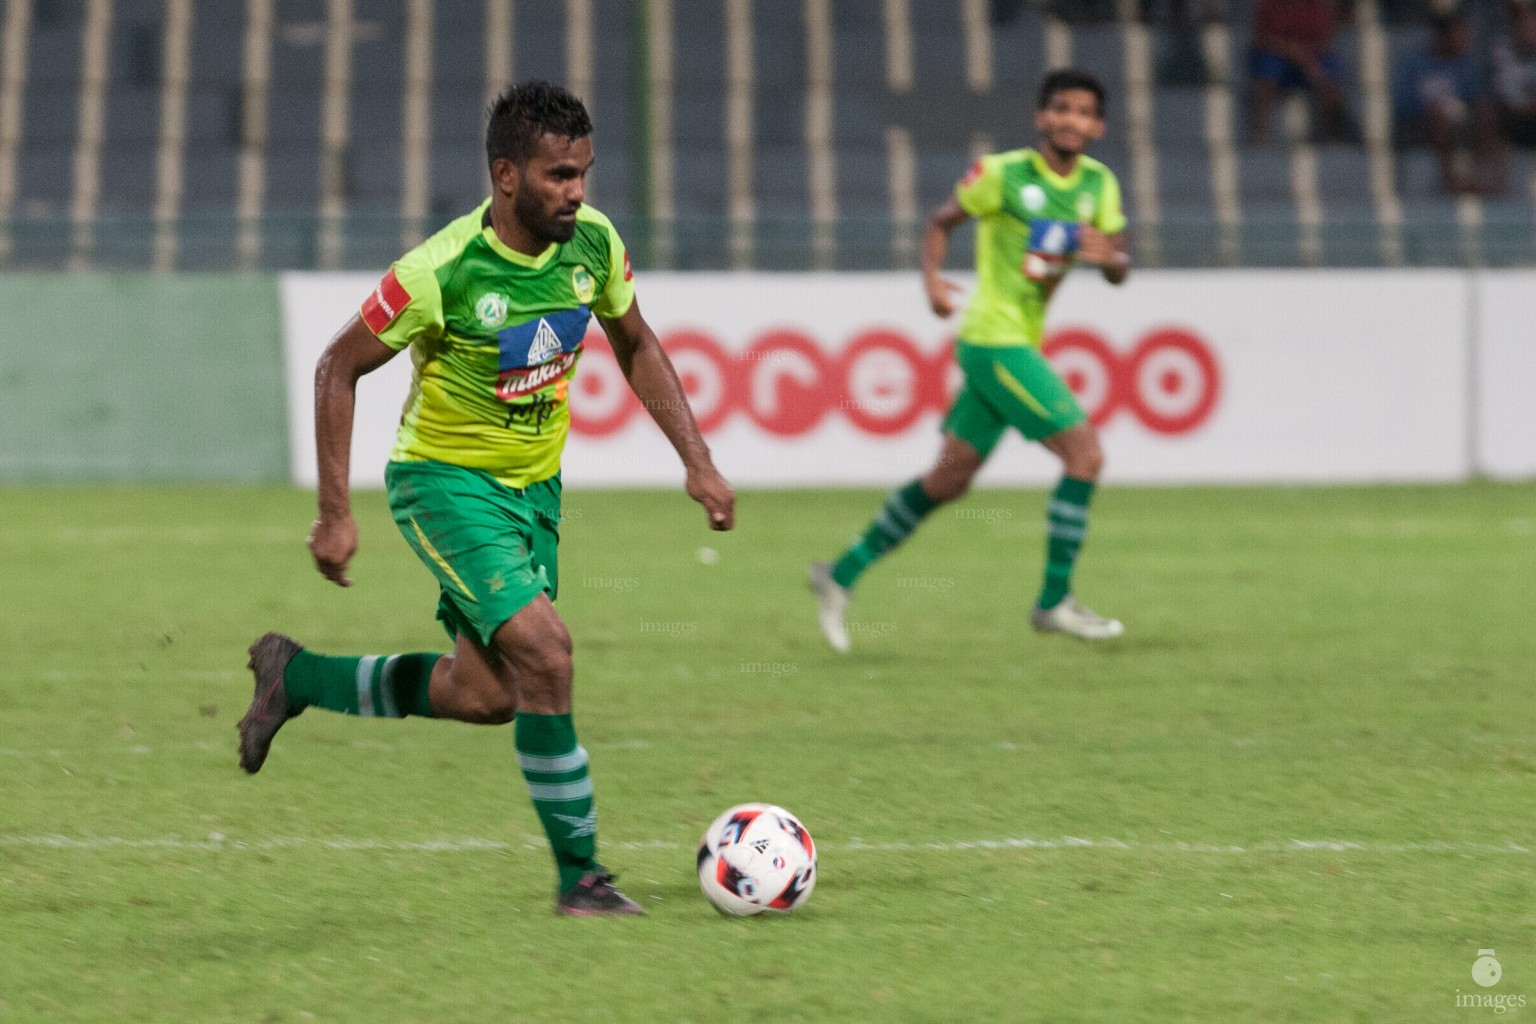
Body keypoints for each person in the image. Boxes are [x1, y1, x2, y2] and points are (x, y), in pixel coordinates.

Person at [237, 81, 735, 917]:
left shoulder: (596, 245)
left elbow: (637, 340)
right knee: (548, 653)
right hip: (443, 484)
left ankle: (300, 677)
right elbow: (337, 367)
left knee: (490, 696)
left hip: (534, 493)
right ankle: (581, 879)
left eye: (582, 173)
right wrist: (334, 509)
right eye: (557, 176)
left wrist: (698, 459)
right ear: (506, 175)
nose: (576, 192)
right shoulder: (440, 270)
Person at [809, 68, 1129, 654]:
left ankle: (842, 572)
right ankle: (1054, 601)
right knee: (1085, 456)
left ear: (1098, 126)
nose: (1071, 120)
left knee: (948, 480)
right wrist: (932, 282)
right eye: (1060, 108)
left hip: (1019, 341)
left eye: (1084, 112)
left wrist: (1109, 257)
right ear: (1041, 117)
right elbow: (941, 220)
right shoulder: (1002, 174)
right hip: (993, 339)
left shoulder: (1100, 185)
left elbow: (1117, 266)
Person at [1393, 10, 1505, 193]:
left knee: (1488, 117)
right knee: (1440, 120)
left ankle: (1484, 182)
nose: (1464, 40)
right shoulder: (1415, 65)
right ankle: (1450, 182)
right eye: (1458, 34)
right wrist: (1429, 109)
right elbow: (1402, 104)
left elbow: (1476, 98)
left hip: (1459, 122)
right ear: (1442, 36)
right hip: (1417, 124)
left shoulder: (1466, 66)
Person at [1246, 0, 1354, 144]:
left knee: (1330, 76)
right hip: (1280, 58)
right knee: (1266, 72)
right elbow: (1263, 39)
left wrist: (1306, 60)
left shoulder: (1318, 8)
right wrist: (1298, 55)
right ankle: (1261, 133)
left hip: (1309, 59)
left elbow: (1323, 41)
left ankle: (1333, 136)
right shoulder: (1269, 5)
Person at [1490, 4, 1536, 147]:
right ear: (1513, 27)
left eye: (1532, 25)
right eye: (1523, 24)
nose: (1528, 30)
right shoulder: (1501, 52)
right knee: (1488, 114)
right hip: (1511, 114)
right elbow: (1501, 93)